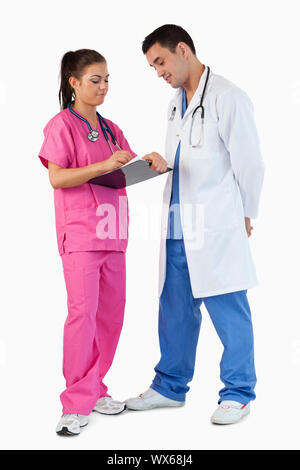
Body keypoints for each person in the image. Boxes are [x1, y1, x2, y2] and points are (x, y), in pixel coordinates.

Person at [125, 25, 265, 425]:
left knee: (227, 306)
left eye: (161, 62)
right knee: (174, 305)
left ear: (182, 49)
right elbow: (189, 156)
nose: (159, 73)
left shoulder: (228, 96)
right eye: (153, 67)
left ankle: (238, 393)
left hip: (215, 222)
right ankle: (169, 386)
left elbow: (251, 162)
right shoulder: (175, 102)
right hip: (176, 218)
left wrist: (245, 213)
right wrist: (157, 163)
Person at [38, 49, 167, 436]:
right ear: (73, 83)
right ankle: (75, 402)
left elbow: (123, 169)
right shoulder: (61, 125)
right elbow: (57, 178)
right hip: (80, 234)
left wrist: (150, 162)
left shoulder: (111, 128)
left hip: (113, 233)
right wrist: (102, 167)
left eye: (107, 79)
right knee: (83, 316)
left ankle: (95, 389)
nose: (103, 87)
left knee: (110, 317)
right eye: (95, 80)